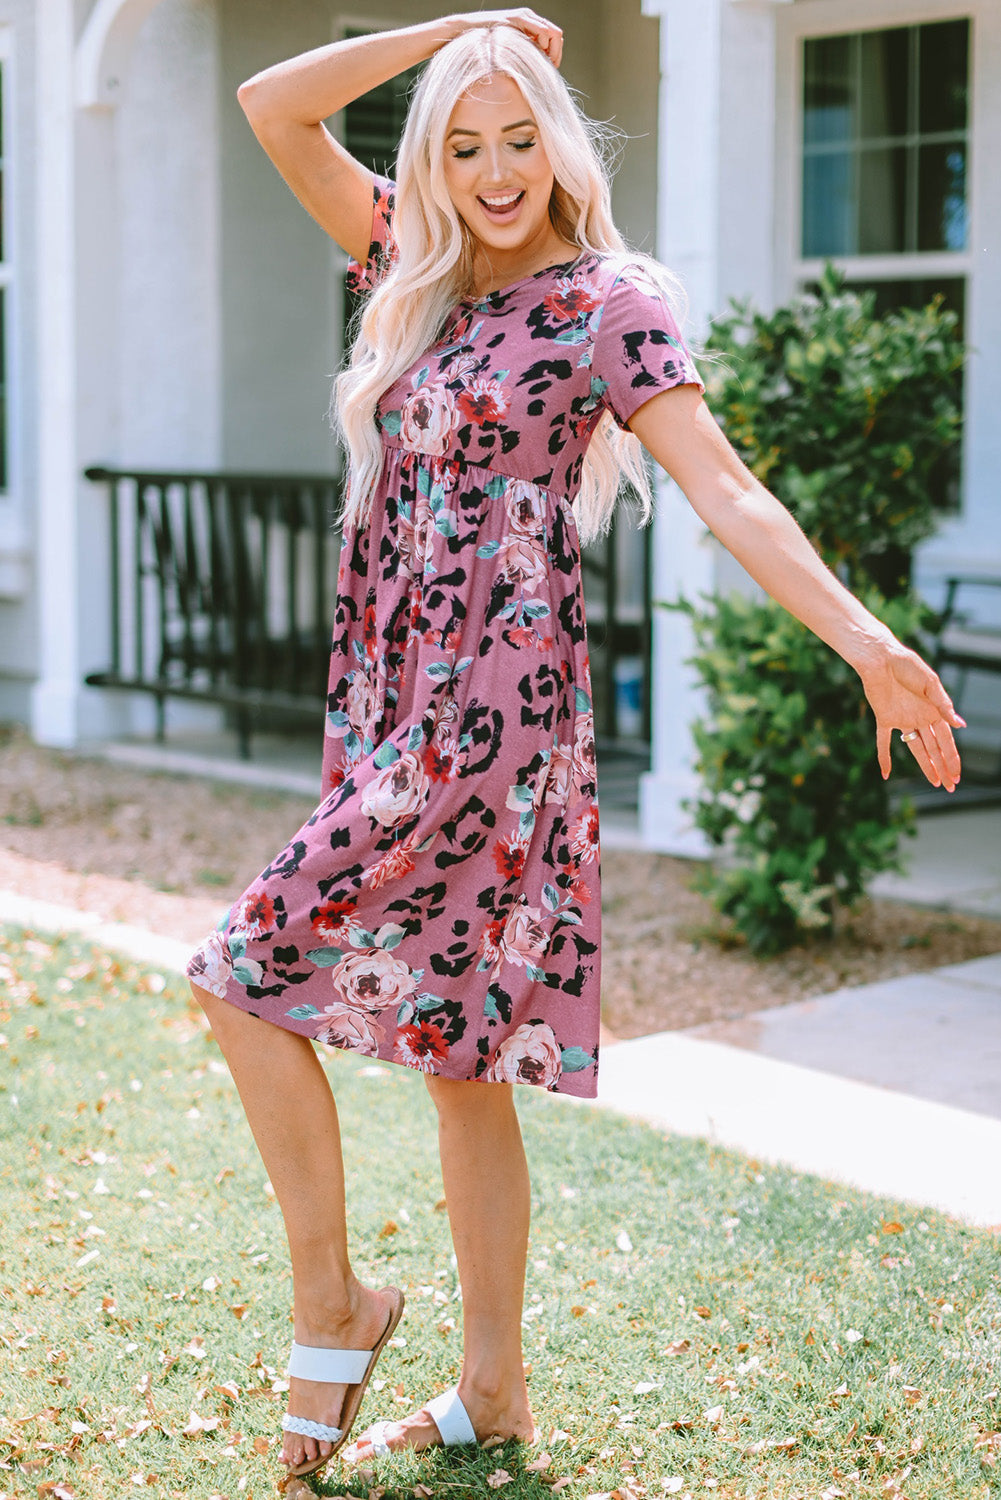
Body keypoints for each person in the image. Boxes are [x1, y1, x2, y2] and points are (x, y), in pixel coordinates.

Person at [186, 8, 964, 1486]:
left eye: (519, 137)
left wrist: (867, 644)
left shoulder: (608, 302)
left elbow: (725, 490)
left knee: (242, 970)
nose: (494, 171)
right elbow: (270, 103)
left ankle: (335, 1302)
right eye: (463, 143)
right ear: (433, 158)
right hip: (391, 697)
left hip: (490, 710)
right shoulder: (401, 272)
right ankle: (494, 1390)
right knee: (459, 1055)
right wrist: (458, 28)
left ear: (559, 144)